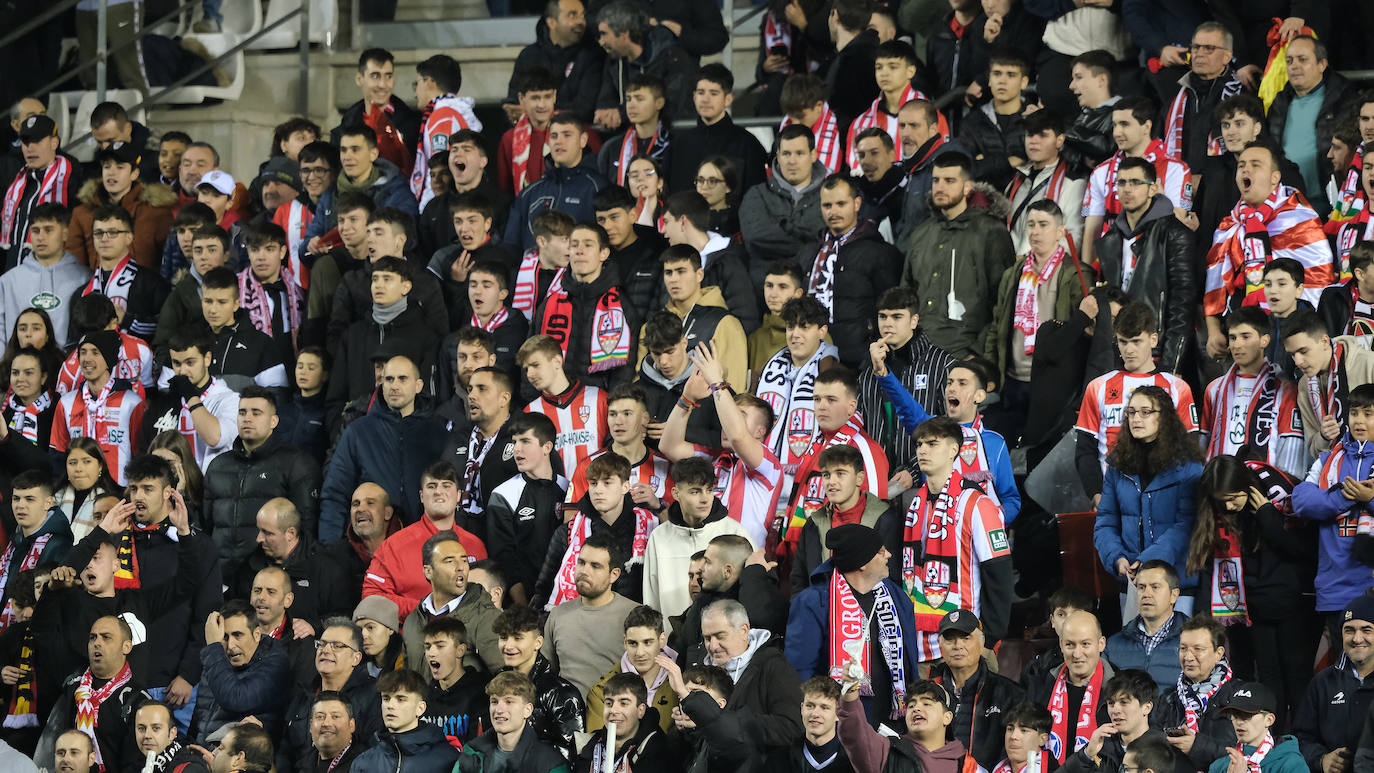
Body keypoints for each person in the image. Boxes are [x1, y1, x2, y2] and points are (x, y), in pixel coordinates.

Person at [1203, 141, 1334, 358]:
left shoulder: (1298, 218)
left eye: (1256, 165)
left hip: (1288, 337)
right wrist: (1214, 331)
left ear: (1275, 178)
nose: (1246, 169)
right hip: (1239, 336)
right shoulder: (1230, 225)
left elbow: (1318, 282)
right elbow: (1214, 285)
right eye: (1242, 165)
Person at [899, 416, 1012, 659]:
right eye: (919, 445)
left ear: (953, 450)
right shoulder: (914, 504)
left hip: (965, 644)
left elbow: (999, 572)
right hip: (916, 645)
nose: (923, 451)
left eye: (932, 444)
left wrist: (989, 640)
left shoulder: (978, 503)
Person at [786, 522, 920, 728]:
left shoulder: (897, 598)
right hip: (839, 727)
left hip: (893, 725)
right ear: (862, 562)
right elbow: (801, 671)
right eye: (881, 551)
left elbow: (909, 663)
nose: (889, 555)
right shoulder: (814, 602)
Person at [1094, 386, 1204, 618]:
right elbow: (1105, 522)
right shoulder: (1117, 465)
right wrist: (1117, 558)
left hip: (1177, 583)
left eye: (1146, 412)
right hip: (1132, 583)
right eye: (1132, 412)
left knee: (1178, 653)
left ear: (1163, 417)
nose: (1136, 419)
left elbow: (1187, 525)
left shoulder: (1189, 465)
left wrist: (1147, 561)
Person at [985, 199, 1091, 438]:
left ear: (1060, 232)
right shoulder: (1013, 273)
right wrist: (991, 372)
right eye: (1031, 224)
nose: (1035, 231)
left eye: (1043, 224)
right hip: (1012, 379)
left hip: (1051, 382)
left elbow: (1082, 334)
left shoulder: (1076, 274)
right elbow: (997, 325)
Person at [1074, 303, 1199, 504]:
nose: (1129, 349)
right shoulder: (1097, 387)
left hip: (1162, 501)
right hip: (1112, 499)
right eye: (1123, 341)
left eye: (1136, 341)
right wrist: (1097, 495)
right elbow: (1085, 450)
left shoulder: (1177, 388)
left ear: (1153, 339)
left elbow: (1189, 448)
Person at [203, 387, 321, 590]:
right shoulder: (217, 466)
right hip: (219, 580)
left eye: (256, 413)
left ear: (274, 421)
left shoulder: (296, 463)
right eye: (242, 412)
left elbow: (306, 529)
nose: (247, 418)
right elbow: (206, 525)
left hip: (268, 583)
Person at [901, 152, 1015, 359]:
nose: (940, 187)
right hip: (918, 351)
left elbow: (1003, 300)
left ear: (968, 187)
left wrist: (978, 352)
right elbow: (906, 293)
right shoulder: (921, 233)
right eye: (935, 180)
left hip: (965, 354)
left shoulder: (991, 232)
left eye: (949, 180)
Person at [320, 354, 448, 537]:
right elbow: (335, 494)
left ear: (418, 386)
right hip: (369, 546)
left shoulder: (438, 433)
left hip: (424, 543)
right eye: (389, 379)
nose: (394, 385)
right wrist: (330, 548)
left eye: (402, 379)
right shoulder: (358, 431)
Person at [1091, 157, 1198, 375]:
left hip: (1156, 353)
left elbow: (1182, 306)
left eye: (1135, 182)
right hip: (1119, 352)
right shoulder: (1111, 237)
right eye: (1121, 183)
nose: (1127, 189)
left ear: (1153, 189)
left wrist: (1171, 365)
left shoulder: (1175, 234)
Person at [1080, 98, 1193, 271]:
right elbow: (1093, 230)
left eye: (1125, 124)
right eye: (1115, 125)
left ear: (1146, 127)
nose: (1117, 132)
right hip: (1110, 266)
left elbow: (1179, 223)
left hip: (1154, 267)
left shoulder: (1175, 169)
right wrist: (1087, 275)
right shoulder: (1101, 172)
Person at [804, 174, 902, 370]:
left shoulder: (879, 253)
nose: (833, 211)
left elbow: (892, 310)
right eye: (827, 205)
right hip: (813, 357)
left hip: (859, 362)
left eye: (841, 204)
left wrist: (874, 354)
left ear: (857, 203)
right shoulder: (810, 250)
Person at [538, 450, 659, 603]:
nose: (598, 490)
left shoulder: (651, 527)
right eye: (594, 483)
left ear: (625, 486)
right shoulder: (567, 532)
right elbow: (544, 588)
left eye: (607, 482)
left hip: (636, 621)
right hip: (581, 622)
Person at [642, 457, 753, 621]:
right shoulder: (659, 537)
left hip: (722, 642)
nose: (705, 498)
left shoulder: (736, 533)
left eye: (709, 490)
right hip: (672, 643)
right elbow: (651, 600)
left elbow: (752, 594)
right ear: (676, 493)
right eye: (695, 491)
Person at [1201, 307, 1307, 478]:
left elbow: (1291, 448)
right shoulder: (1214, 389)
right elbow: (1203, 445)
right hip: (1218, 486)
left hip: (1265, 491)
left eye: (1246, 336)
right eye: (1233, 337)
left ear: (1264, 340)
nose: (1237, 344)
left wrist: (1278, 495)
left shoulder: (1284, 390)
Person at [528, 223, 636, 388]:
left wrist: (611, 406)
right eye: (574, 245)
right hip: (549, 404)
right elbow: (531, 356)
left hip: (597, 406)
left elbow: (623, 371)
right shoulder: (550, 303)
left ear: (604, 253)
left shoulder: (621, 306)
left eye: (588, 245)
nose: (579, 250)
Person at [32, 617, 146, 773]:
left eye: (106, 637)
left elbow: (137, 763)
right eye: (93, 637)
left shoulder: (138, 700)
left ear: (126, 647)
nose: (96, 643)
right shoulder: (72, 686)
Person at [789, 445, 902, 591]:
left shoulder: (885, 520)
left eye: (840, 473)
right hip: (820, 611)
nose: (831, 482)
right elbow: (799, 581)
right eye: (826, 475)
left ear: (859, 478)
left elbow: (892, 581)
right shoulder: (813, 523)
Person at [538, 532, 639, 694]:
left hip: (616, 714)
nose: (584, 571)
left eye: (595, 566)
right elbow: (545, 674)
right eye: (581, 562)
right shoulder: (558, 614)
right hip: (567, 715)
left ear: (614, 574)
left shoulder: (635, 615)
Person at [927, 610, 1027, 770]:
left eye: (966, 638)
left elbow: (1019, 750)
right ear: (940, 645)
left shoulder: (1011, 695)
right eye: (949, 639)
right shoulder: (926, 694)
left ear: (982, 644)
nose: (957, 645)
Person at [1266, 36, 1354, 214]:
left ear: (1322, 64)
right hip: (1287, 204)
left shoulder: (1343, 99)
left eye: (1302, 59)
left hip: (1330, 203)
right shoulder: (1279, 102)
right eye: (1289, 60)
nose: (1294, 65)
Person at [674, 532, 788, 668]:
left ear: (727, 571)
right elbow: (681, 650)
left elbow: (758, 622)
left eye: (708, 562)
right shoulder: (704, 600)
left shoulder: (766, 601)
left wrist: (754, 573)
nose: (701, 569)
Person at [394, 531, 500, 673]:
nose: (460, 567)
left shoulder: (486, 616)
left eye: (464, 560)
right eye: (450, 561)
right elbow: (408, 679)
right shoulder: (413, 620)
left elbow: (504, 680)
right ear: (428, 571)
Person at [49, 330, 147, 483]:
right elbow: (58, 455)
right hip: (77, 491)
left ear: (108, 358)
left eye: (95, 352)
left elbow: (140, 456)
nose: (87, 359)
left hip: (119, 493)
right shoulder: (66, 403)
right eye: (83, 352)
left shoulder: (131, 403)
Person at [658, 191, 761, 333]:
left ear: (683, 221)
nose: (663, 230)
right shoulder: (670, 263)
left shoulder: (730, 261)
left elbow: (745, 321)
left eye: (666, 222)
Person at [647, 244, 748, 389]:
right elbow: (643, 378)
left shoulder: (725, 323)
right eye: (668, 273)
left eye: (681, 271)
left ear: (699, 275)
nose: (673, 279)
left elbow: (734, 387)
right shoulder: (652, 324)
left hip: (707, 409)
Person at [504, 113, 609, 252]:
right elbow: (511, 245)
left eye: (567, 135)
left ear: (583, 140)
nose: (559, 141)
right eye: (554, 136)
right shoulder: (530, 192)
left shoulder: (598, 188)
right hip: (531, 272)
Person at [1149, 616, 1242, 771]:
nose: (1188, 657)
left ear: (1218, 653)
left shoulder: (1240, 695)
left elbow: (1248, 751)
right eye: (1183, 648)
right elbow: (1151, 749)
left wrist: (1197, 745)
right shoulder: (1168, 698)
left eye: (1198, 649)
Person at [491, 605, 585, 758]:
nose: (508, 646)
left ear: (538, 642)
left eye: (517, 638)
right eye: (503, 637)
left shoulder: (562, 693)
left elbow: (570, 754)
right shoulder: (495, 684)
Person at [304, 125, 418, 250]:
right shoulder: (331, 193)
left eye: (355, 149)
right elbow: (308, 241)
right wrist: (311, 245)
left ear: (373, 154)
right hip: (337, 263)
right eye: (343, 150)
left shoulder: (396, 193)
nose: (347, 157)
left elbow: (408, 240)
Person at [193, 600, 291, 743]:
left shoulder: (275, 663)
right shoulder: (216, 659)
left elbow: (236, 699)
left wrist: (214, 647)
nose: (231, 645)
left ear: (257, 634)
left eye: (237, 635)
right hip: (205, 755)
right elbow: (199, 717)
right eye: (224, 637)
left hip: (243, 759)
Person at [66, 140, 174, 270]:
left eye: (120, 167)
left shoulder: (156, 213)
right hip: (95, 287)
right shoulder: (82, 213)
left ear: (134, 174)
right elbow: (74, 264)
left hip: (143, 288)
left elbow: (169, 262)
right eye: (107, 166)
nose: (111, 172)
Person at [1284, 309, 1374, 459]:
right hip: (1334, 471)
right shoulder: (1304, 385)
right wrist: (1324, 437)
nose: (1298, 362)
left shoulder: (1369, 364)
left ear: (1324, 341)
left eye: (1303, 351)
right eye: (1293, 354)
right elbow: (1314, 450)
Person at [1027, 610, 1115, 764]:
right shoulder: (1040, 686)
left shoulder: (1120, 690)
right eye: (1070, 645)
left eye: (1085, 644)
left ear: (1101, 644)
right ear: (1061, 645)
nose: (1077, 654)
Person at [517, 334, 609, 479]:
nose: (530, 374)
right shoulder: (530, 412)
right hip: (555, 498)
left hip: (597, 495)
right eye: (526, 369)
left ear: (557, 362)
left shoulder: (599, 398)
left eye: (535, 365)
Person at [664, 63, 767, 193]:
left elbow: (755, 198)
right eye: (701, 92)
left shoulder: (748, 145)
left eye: (713, 93)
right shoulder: (678, 146)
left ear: (728, 99)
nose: (705, 99)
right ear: (694, 97)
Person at [592, 1, 693, 131]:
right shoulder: (614, 59)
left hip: (670, 134)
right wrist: (606, 110)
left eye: (604, 34)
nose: (601, 42)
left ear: (624, 34)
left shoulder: (672, 57)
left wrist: (620, 114)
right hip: (629, 133)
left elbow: (669, 105)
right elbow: (607, 96)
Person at [1161, 22, 1250, 170]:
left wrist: (1205, 181)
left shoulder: (1242, 97)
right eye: (1196, 47)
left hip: (1224, 184)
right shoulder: (1177, 98)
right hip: (1181, 184)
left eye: (1209, 48)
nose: (1199, 53)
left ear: (1227, 56)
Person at [836, 675, 968, 773]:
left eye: (926, 704)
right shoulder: (887, 750)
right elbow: (855, 734)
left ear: (947, 717)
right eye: (911, 706)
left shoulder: (966, 765)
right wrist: (850, 691)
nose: (916, 708)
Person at [0, 205, 89, 348]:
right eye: (35, 231)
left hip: (65, 368)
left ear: (65, 233)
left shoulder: (84, 278)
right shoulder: (8, 281)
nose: (40, 237)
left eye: (48, 230)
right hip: (19, 367)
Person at [739, 124, 826, 270]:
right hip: (764, 286)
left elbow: (831, 241)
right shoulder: (757, 195)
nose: (792, 161)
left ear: (813, 155)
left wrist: (784, 231)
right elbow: (756, 239)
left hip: (813, 285)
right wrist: (809, 244)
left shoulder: (829, 196)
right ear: (778, 156)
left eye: (799, 153)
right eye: (786, 154)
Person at [79, 204, 169, 342]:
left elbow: (166, 329)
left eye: (113, 232)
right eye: (99, 233)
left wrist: (127, 320)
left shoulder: (152, 284)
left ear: (129, 237)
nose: (104, 238)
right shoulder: (83, 291)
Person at [1059, 669, 1177, 773]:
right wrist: (1086, 755)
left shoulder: (1167, 751)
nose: (1115, 710)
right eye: (1111, 703)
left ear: (1147, 707)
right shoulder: (1100, 746)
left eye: (1124, 702)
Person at [2, 115, 81, 270]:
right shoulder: (17, 183)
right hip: (11, 278)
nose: (30, 148)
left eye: (37, 141)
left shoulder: (72, 181)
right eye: (26, 142)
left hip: (51, 279)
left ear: (54, 142)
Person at [584, 604, 679, 732]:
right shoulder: (601, 692)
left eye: (647, 642)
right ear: (625, 642)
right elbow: (597, 747)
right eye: (633, 643)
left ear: (662, 640)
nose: (640, 652)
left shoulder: (682, 686)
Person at [504, 0, 602, 124]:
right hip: (531, 131)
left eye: (582, 15)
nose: (580, 21)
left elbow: (584, 108)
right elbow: (514, 99)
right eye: (572, 15)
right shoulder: (528, 55)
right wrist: (512, 109)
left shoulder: (593, 55)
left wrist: (535, 111)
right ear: (551, 22)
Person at [1006, 110, 1087, 255]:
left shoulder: (1074, 184)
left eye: (1043, 135)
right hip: (1010, 269)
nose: (1034, 140)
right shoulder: (1017, 180)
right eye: (1030, 134)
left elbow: (1074, 237)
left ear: (1060, 140)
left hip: (1046, 271)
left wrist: (1034, 262)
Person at [456, 671, 569, 772]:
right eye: (494, 702)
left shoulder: (550, 763)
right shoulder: (471, 752)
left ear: (527, 710)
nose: (499, 710)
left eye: (509, 702)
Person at [331, 49, 421, 174]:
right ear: (359, 79)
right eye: (375, 76)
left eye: (388, 76)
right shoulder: (345, 127)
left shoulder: (414, 126)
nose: (383, 84)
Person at [353, 668, 461, 772]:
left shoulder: (447, 760)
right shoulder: (363, 763)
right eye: (386, 698)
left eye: (400, 699)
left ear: (420, 708)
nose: (390, 705)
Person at [410, 54, 481, 211]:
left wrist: (429, 211)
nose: (415, 92)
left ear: (429, 82)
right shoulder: (454, 112)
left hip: (444, 209)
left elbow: (440, 173)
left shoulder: (443, 117)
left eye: (417, 84)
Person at [1103, 561, 1188, 691]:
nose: (1146, 594)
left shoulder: (1195, 641)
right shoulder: (1113, 644)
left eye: (1155, 587)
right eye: (1141, 587)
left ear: (1174, 595)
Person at [960, 49, 1033, 190]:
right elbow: (966, 171)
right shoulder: (971, 122)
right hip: (982, 202)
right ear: (989, 80)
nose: (1002, 81)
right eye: (997, 74)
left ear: (1024, 82)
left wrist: (985, 162)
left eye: (1011, 75)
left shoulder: (1035, 119)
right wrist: (1009, 162)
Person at [418, 616, 489, 745]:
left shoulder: (482, 695)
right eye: (427, 647)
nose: (431, 653)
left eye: (440, 646)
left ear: (460, 650)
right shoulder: (422, 696)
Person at [1208, 682, 1307, 773]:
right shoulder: (1219, 767)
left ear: (1269, 720)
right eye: (1235, 715)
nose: (1239, 721)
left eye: (1247, 715)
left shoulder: (1292, 765)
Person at [597, 73, 671, 189]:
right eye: (628, 99)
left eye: (639, 99)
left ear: (659, 103)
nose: (631, 105)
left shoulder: (673, 145)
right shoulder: (612, 148)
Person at [780, 74, 844, 176]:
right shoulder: (786, 122)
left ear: (819, 106)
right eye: (791, 116)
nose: (795, 123)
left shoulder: (842, 129)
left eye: (801, 117)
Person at [133, 700, 209, 773]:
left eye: (156, 728)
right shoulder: (136, 765)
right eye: (141, 728)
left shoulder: (190, 769)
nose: (147, 735)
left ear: (172, 734)